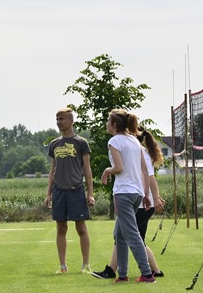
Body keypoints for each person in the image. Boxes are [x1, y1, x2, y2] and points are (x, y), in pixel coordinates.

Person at [92, 128, 165, 279]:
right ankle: (155, 271)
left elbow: (150, 176)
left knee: (128, 235)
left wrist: (155, 198)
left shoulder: (139, 150)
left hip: (142, 203)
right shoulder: (136, 149)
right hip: (143, 201)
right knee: (131, 236)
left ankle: (116, 270)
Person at [99, 109, 155, 283]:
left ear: (115, 125)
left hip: (123, 192)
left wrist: (107, 171)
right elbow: (143, 170)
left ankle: (147, 273)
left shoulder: (114, 141)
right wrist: (146, 194)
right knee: (120, 234)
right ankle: (122, 275)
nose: (107, 124)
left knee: (131, 233)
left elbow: (119, 168)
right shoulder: (134, 141)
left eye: (108, 121)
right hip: (137, 192)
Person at [44, 108, 95, 274]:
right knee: (61, 229)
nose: (59, 122)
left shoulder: (81, 143)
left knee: (81, 228)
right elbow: (52, 170)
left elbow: (87, 169)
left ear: (71, 121)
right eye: (57, 119)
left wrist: (90, 193)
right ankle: (63, 266)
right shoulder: (54, 144)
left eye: (62, 119)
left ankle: (85, 264)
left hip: (76, 190)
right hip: (59, 191)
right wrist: (48, 194)